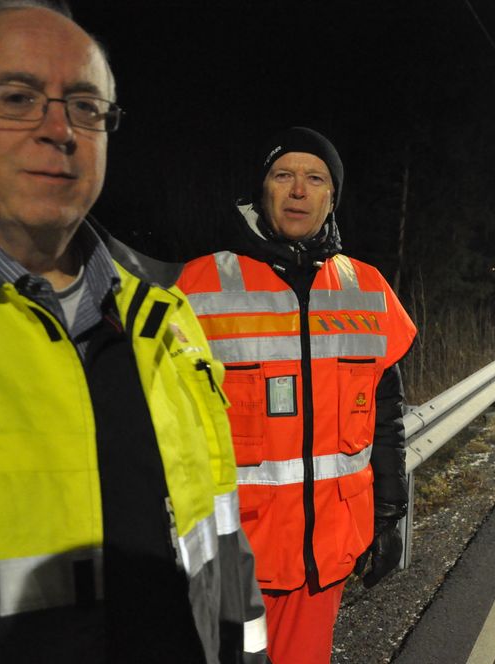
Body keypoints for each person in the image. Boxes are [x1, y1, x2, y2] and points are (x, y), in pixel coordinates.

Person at [0, 2, 266, 662]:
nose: (60, 130)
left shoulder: (168, 323)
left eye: (85, 106)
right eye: (18, 98)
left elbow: (222, 556)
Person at [177, 127, 417, 663]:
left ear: (333, 197)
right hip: (231, 560)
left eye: (315, 179)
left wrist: (389, 512)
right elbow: (163, 428)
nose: (298, 191)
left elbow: (385, 416)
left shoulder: (367, 288)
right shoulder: (200, 287)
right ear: (261, 190)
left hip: (324, 557)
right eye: (284, 175)